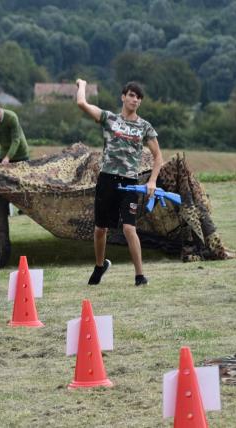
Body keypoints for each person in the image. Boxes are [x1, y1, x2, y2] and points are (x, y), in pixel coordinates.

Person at [76, 79, 163, 286]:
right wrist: (82, 84)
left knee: (128, 228)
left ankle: (140, 276)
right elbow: (82, 104)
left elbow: (158, 157)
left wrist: (152, 182)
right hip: (107, 180)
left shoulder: (144, 127)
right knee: (100, 229)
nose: (135, 99)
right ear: (123, 97)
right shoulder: (109, 118)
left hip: (130, 183)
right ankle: (100, 266)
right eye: (132, 95)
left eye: (139, 97)